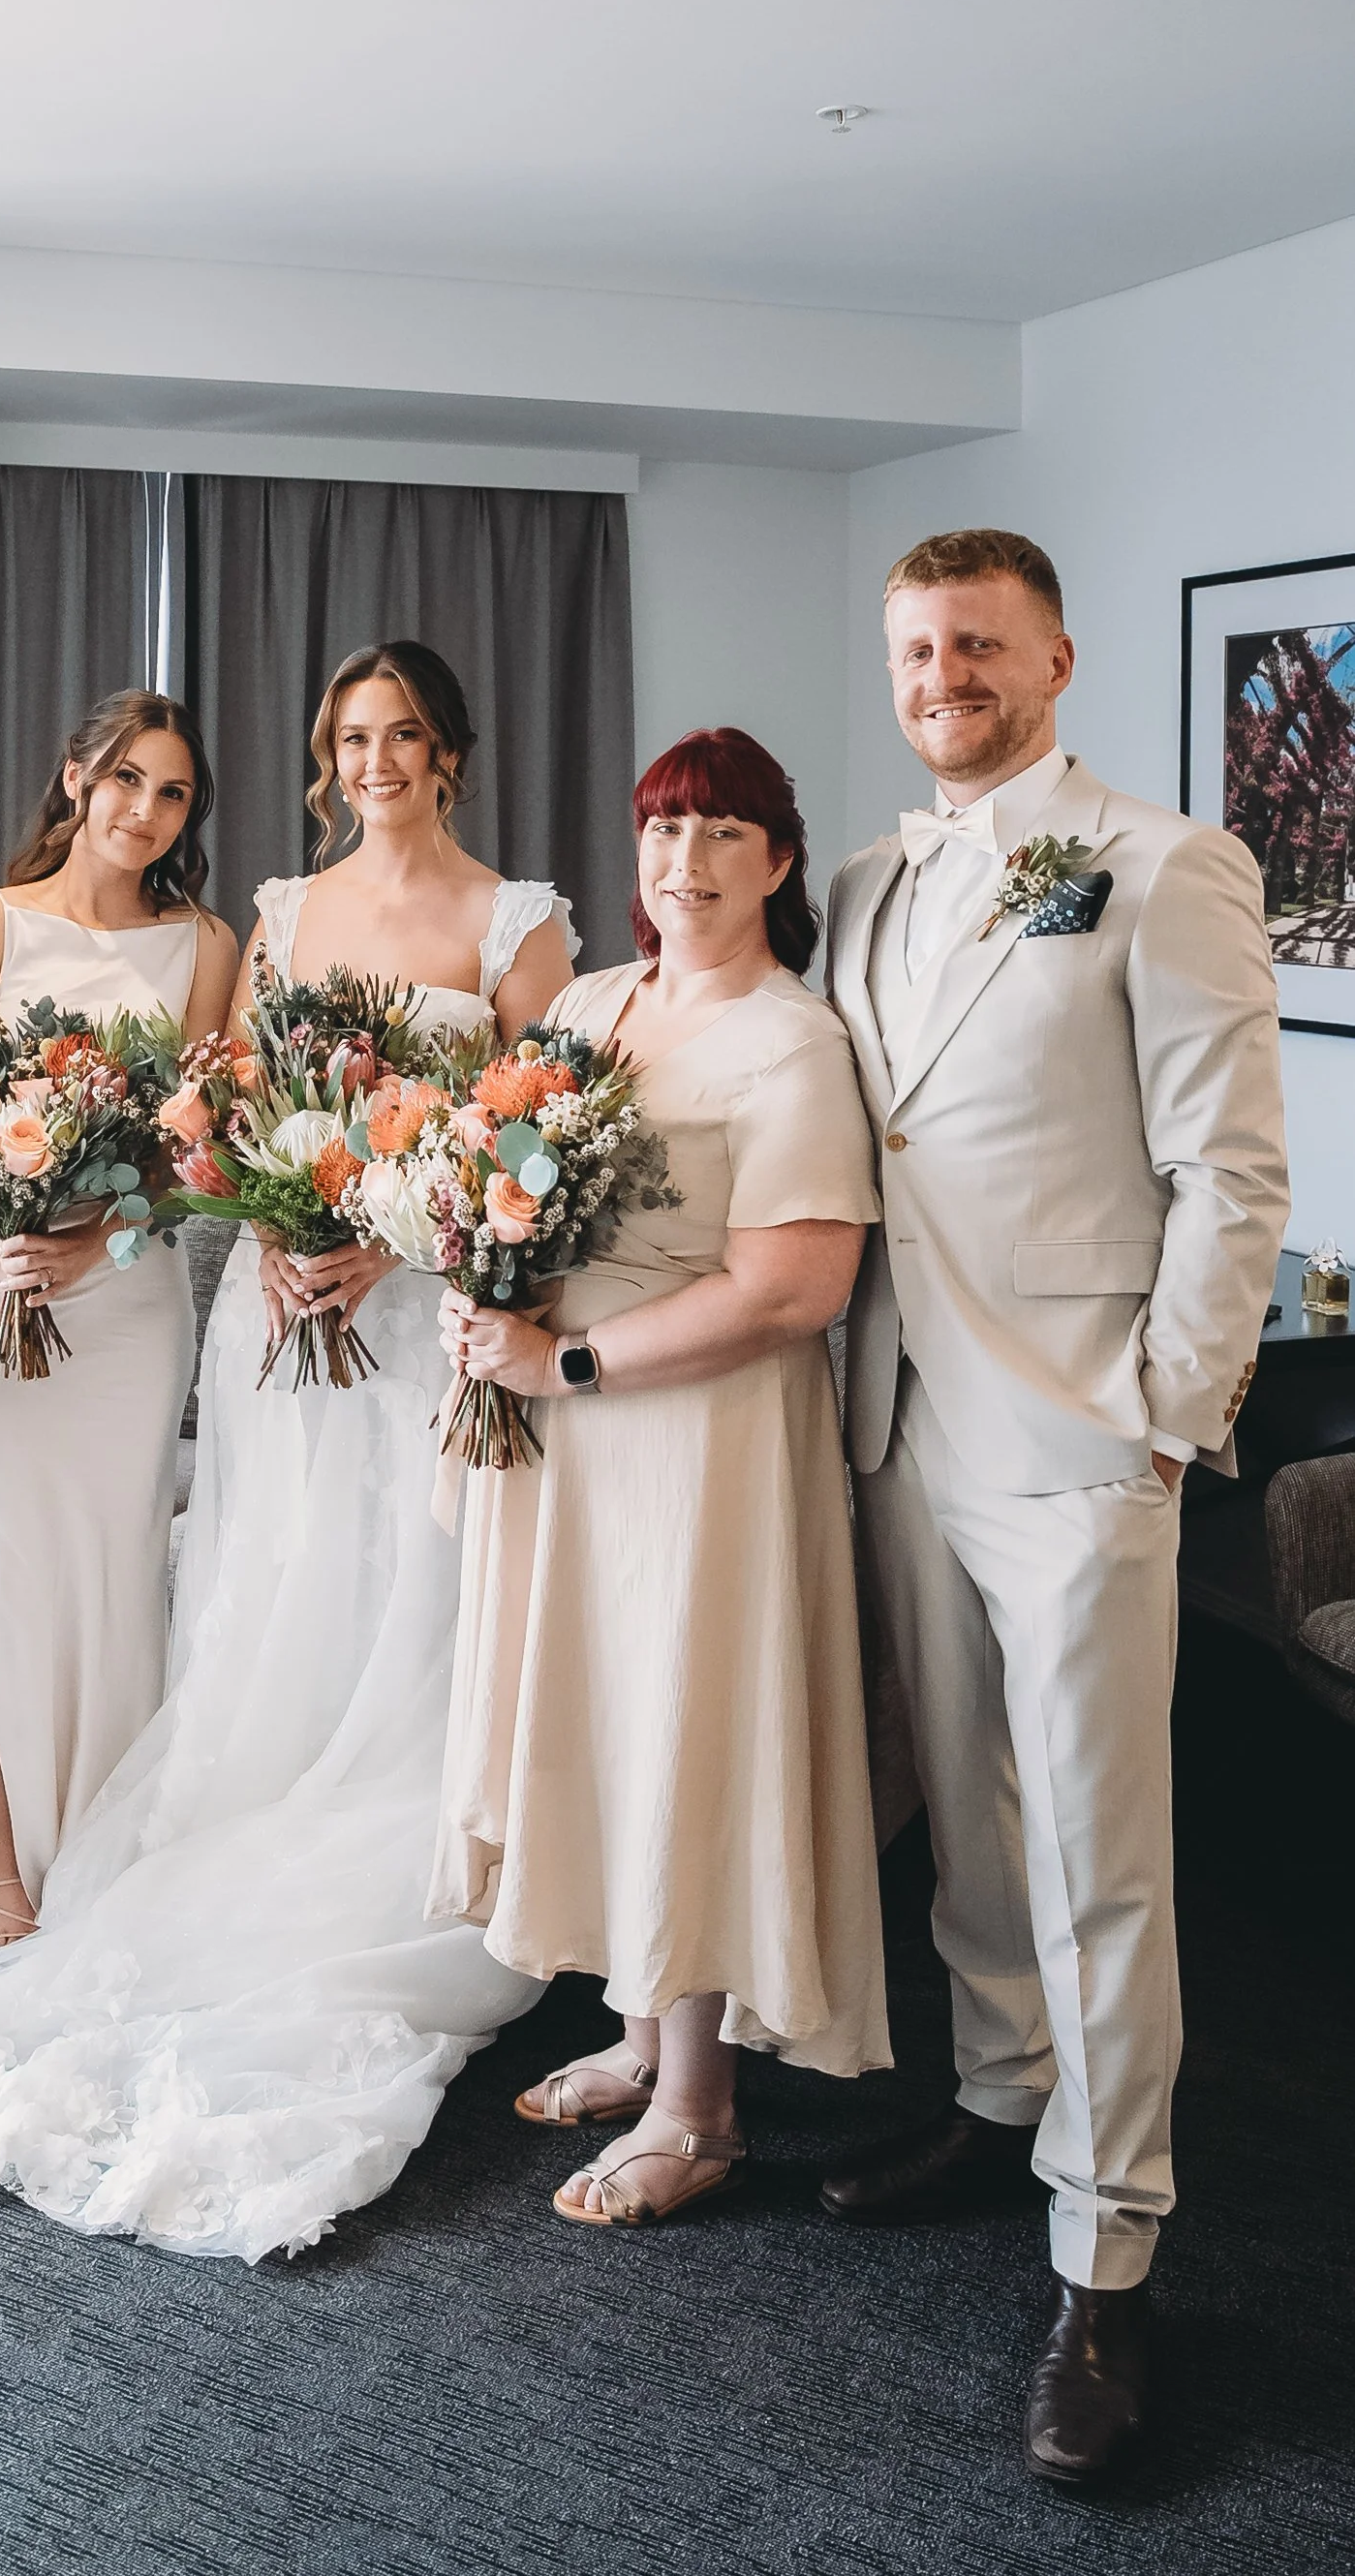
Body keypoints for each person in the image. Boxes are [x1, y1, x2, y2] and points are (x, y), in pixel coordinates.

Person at [0, 639, 578, 2260]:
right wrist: (281, 1233)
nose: (374, 756)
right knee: (255, 1580)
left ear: (448, 752)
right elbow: (234, 1127)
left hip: (408, 1313)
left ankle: (389, 1839)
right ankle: (38, 1840)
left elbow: (530, 1144)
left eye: (403, 732)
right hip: (269, 1317)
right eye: (349, 733)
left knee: (398, 1593)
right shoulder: (278, 914)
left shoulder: (521, 921)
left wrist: (396, 1243)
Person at [822, 528, 1288, 2487]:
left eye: (979, 646)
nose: (945, 676)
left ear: (1057, 659)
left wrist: (1166, 1416)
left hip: (1083, 1428)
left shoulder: (1160, 862)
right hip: (902, 1414)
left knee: (1102, 1847)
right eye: (920, 648)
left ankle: (1107, 2255)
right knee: (967, 1801)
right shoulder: (860, 876)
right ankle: (999, 2090)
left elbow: (1231, 1170)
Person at [431, 727, 889, 2228]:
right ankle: (636, 2033)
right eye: (661, 832)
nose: (683, 863)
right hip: (561, 1431)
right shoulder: (587, 1000)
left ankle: (700, 2108)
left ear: (774, 859)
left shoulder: (792, 1039)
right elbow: (507, 1184)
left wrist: (562, 1359)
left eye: (719, 834)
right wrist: (474, 1288)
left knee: (685, 1729)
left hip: (695, 1440)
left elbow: (791, 1290)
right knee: (607, 1722)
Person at [0, 690, 239, 1943]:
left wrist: (97, 1229)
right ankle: (1, 1854)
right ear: (77, 778)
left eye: (173, 792)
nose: (144, 810)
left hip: (127, 1305)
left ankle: (105, 1832)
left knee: (109, 1571)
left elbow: (188, 1150)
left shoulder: (203, 946)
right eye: (126, 779)